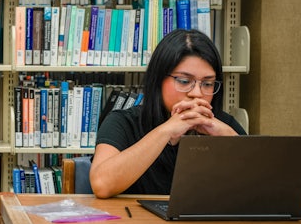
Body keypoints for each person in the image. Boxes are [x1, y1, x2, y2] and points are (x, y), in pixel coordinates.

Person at [90, 28, 246, 198]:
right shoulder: (123, 122)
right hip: (138, 223)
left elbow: (265, 186)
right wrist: (167, 130)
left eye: (207, 84)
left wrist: (228, 136)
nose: (197, 93)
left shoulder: (224, 125)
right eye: (185, 81)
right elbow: (102, 185)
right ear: (158, 81)